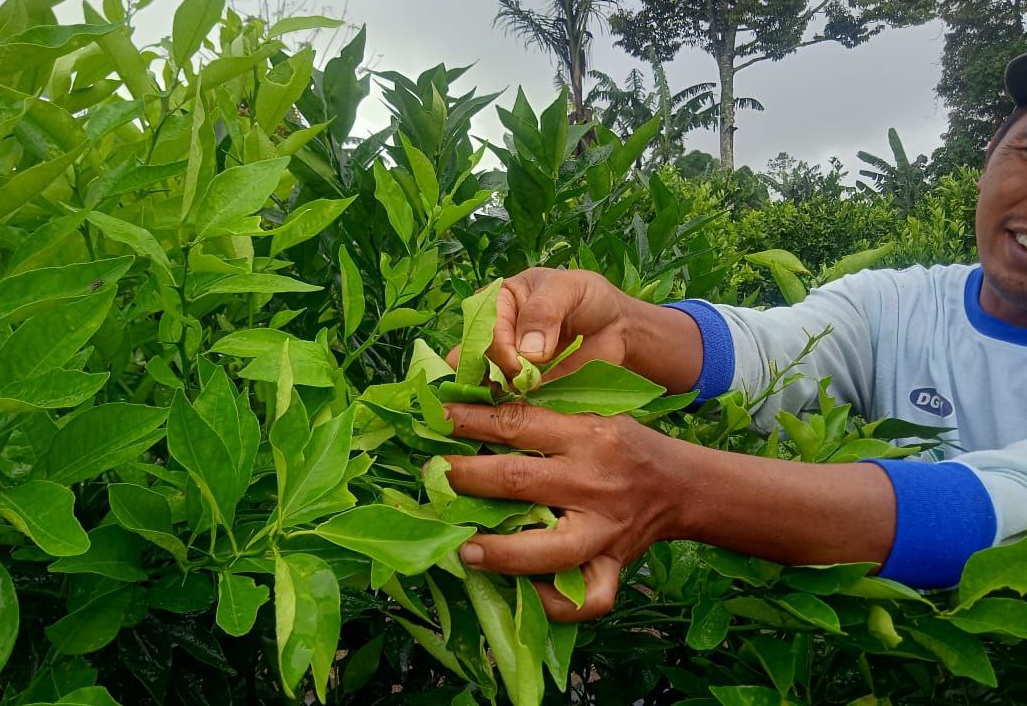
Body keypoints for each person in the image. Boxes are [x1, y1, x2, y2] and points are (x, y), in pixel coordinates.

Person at [440, 54, 1027, 623]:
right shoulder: (900, 305)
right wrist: (623, 324)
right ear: (988, 161)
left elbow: (987, 508)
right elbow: (772, 350)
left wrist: (672, 488)